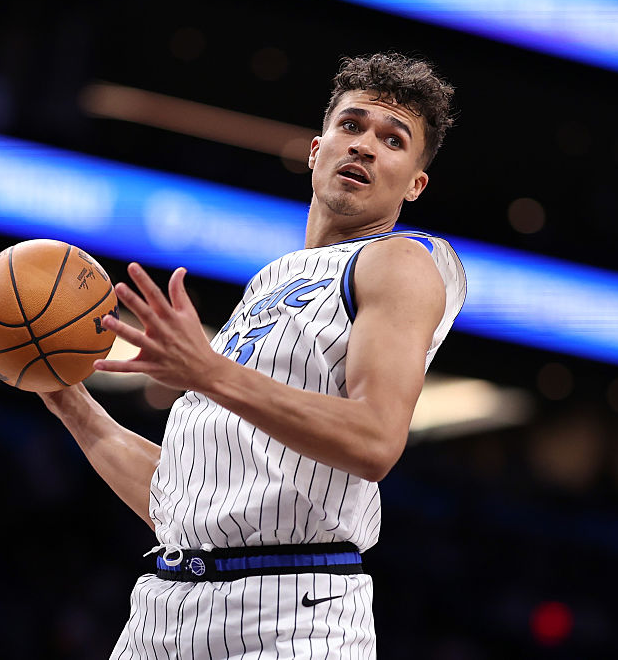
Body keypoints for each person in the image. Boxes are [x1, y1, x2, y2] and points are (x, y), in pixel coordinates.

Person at [39, 52, 466, 659]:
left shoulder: (402, 263)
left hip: (293, 615)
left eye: (392, 139)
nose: (366, 146)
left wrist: (208, 371)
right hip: (163, 610)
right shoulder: (271, 284)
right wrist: (69, 402)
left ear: (415, 184)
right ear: (317, 151)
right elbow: (180, 503)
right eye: (352, 125)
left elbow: (375, 440)